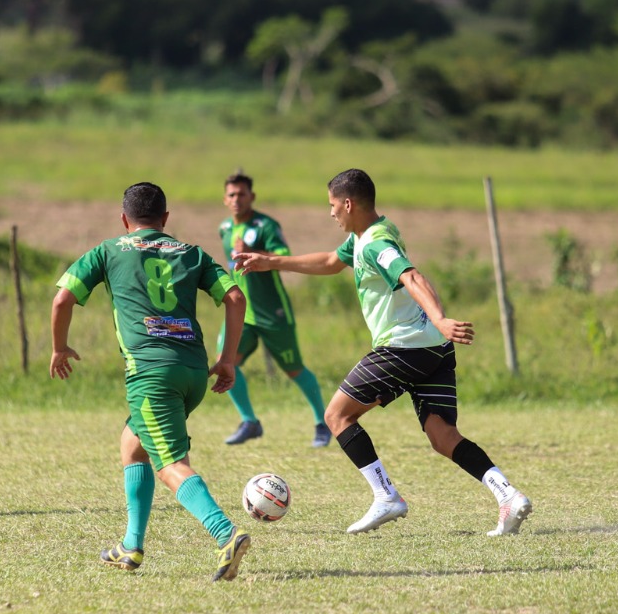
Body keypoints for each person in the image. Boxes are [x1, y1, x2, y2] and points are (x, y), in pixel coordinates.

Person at [234, 168, 534, 536]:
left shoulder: (377, 243)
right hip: (433, 350)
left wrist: (440, 318)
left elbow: (413, 277)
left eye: (332, 206)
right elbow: (331, 262)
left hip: (404, 346)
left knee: (337, 416)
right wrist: (272, 262)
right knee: (442, 436)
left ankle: (385, 495)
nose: (330, 213)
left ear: (348, 203)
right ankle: (509, 496)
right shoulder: (369, 234)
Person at [51, 181, 253, 582]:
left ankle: (225, 533)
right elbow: (235, 298)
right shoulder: (191, 252)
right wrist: (228, 359)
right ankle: (131, 545)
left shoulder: (108, 250)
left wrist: (59, 347)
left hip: (151, 374)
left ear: (124, 219)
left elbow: (62, 299)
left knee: (170, 464)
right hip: (194, 372)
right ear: (165, 220)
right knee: (133, 443)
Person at [216, 170, 332, 447]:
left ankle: (323, 423)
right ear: (225, 199)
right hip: (242, 313)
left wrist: (256, 252)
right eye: (231, 194)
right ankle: (250, 422)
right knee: (225, 362)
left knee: (294, 370)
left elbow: (284, 257)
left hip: (273, 313)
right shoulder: (224, 229)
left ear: (252, 196)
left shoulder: (266, 226)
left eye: (242, 194)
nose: (236, 199)